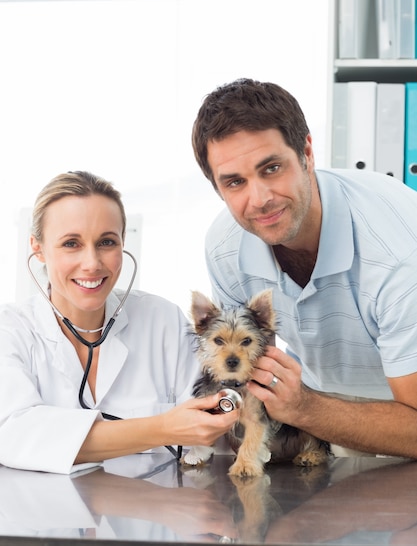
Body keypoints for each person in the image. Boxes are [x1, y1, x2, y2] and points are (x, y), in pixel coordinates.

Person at [191, 77, 417, 459]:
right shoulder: (225, 246)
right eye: (234, 182)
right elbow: (251, 371)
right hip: (322, 405)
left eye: (272, 168)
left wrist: (305, 408)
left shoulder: (396, 253)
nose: (259, 199)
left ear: (307, 153)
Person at [0, 171, 238, 473]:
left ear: (123, 242)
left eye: (106, 242)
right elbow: (13, 434)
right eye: (71, 243)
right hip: (44, 517)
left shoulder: (163, 321)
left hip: (160, 510)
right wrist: (164, 427)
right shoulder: (10, 331)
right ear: (37, 248)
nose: (92, 263)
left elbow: (210, 436)